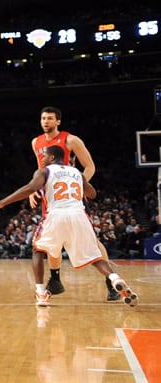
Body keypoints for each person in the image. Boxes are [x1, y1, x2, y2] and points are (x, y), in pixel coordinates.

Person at [0, 145, 138, 307]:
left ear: (52, 158)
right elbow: (92, 194)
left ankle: (41, 293)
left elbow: (31, 188)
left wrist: (2, 202)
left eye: (44, 156)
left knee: (38, 250)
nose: (42, 159)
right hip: (79, 217)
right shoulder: (77, 173)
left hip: (56, 214)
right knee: (94, 257)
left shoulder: (44, 171)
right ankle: (115, 278)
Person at [29, 106, 120, 301]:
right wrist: (35, 190)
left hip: (72, 197)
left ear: (58, 121)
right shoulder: (36, 142)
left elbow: (90, 166)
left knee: (92, 241)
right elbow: (41, 171)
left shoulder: (70, 140)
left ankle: (110, 282)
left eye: (50, 118)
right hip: (51, 198)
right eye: (43, 118)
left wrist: (77, 187)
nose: (46, 121)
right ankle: (55, 280)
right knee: (52, 242)